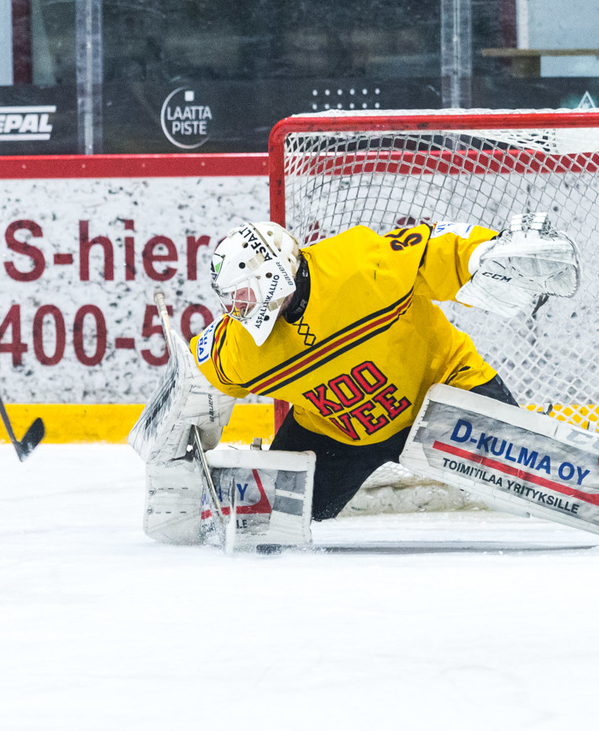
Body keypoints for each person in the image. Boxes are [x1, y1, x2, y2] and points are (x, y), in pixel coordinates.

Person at [188, 219, 550, 521]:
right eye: (231, 298)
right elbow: (196, 381)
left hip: (443, 393)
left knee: (525, 484)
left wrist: (487, 251)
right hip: (336, 434)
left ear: (275, 276)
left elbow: (434, 249)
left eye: (244, 293)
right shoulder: (243, 347)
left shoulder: (359, 266)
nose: (237, 308)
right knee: (283, 514)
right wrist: (176, 450)